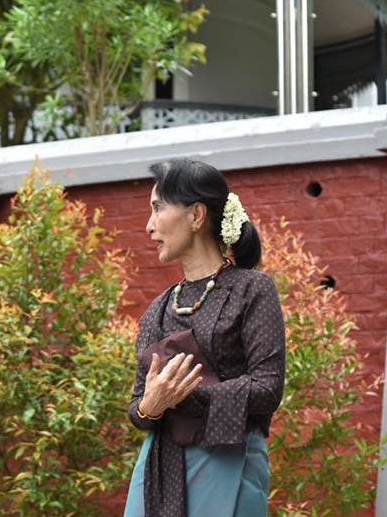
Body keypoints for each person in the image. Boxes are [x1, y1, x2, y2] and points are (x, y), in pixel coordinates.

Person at [124, 159, 286, 517]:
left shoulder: (252, 290)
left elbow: (268, 388)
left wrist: (186, 395)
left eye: (157, 208)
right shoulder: (159, 308)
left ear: (196, 216)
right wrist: (153, 404)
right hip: (159, 466)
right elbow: (139, 407)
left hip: (230, 457)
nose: (149, 226)